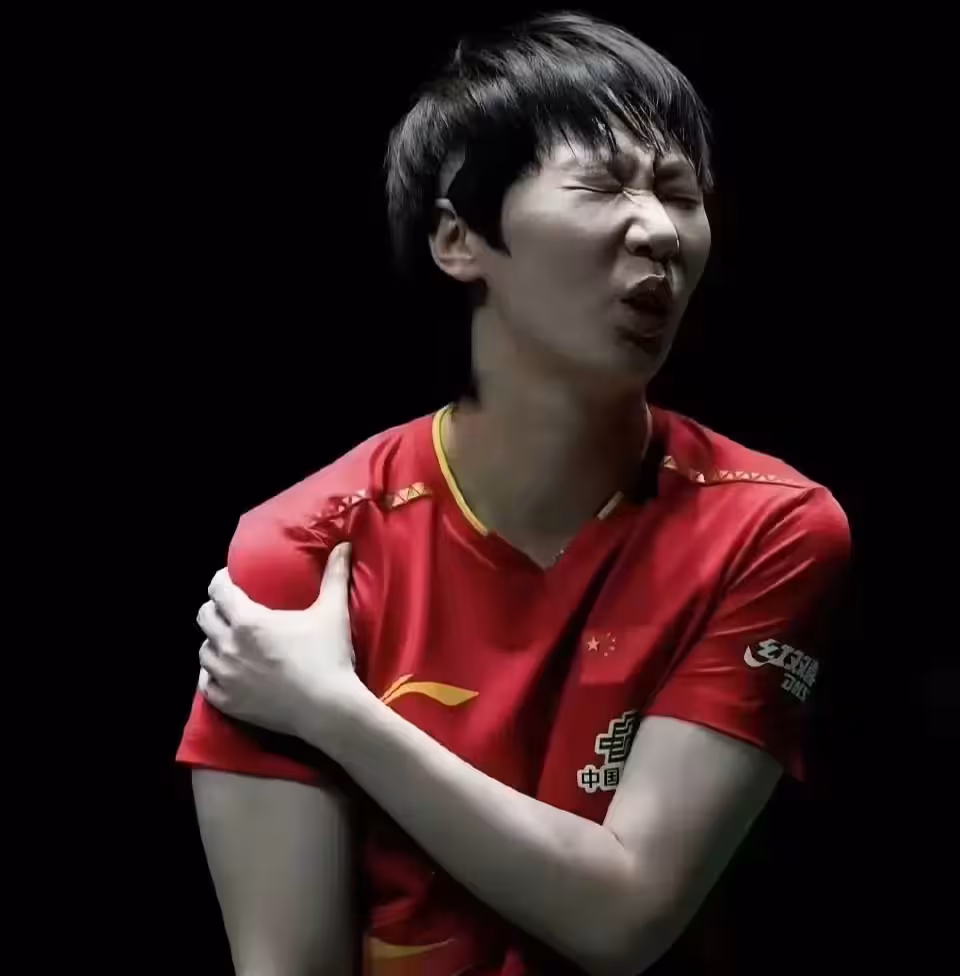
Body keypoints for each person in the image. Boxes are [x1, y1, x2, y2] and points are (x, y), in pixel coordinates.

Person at [177, 11, 851, 975]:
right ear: (460, 238)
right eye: (603, 184)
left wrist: (331, 709)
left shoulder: (767, 527)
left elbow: (624, 919)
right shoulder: (304, 550)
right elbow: (289, 961)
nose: (661, 230)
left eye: (680, 192)